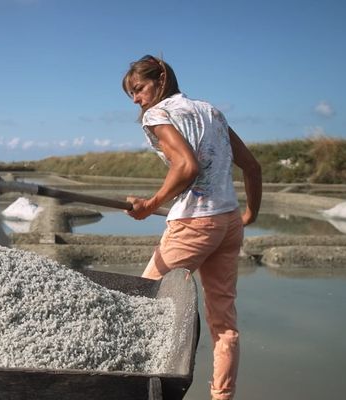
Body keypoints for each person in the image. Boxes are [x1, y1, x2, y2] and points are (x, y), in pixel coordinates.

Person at [122, 55, 262, 400]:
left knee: (141, 305)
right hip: (228, 222)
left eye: (139, 89)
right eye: (132, 96)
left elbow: (186, 166)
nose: (137, 100)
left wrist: (149, 205)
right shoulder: (211, 111)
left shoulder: (158, 114)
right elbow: (253, 167)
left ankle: (136, 390)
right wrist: (249, 215)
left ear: (161, 78)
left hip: (194, 224)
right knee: (224, 324)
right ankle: (222, 396)